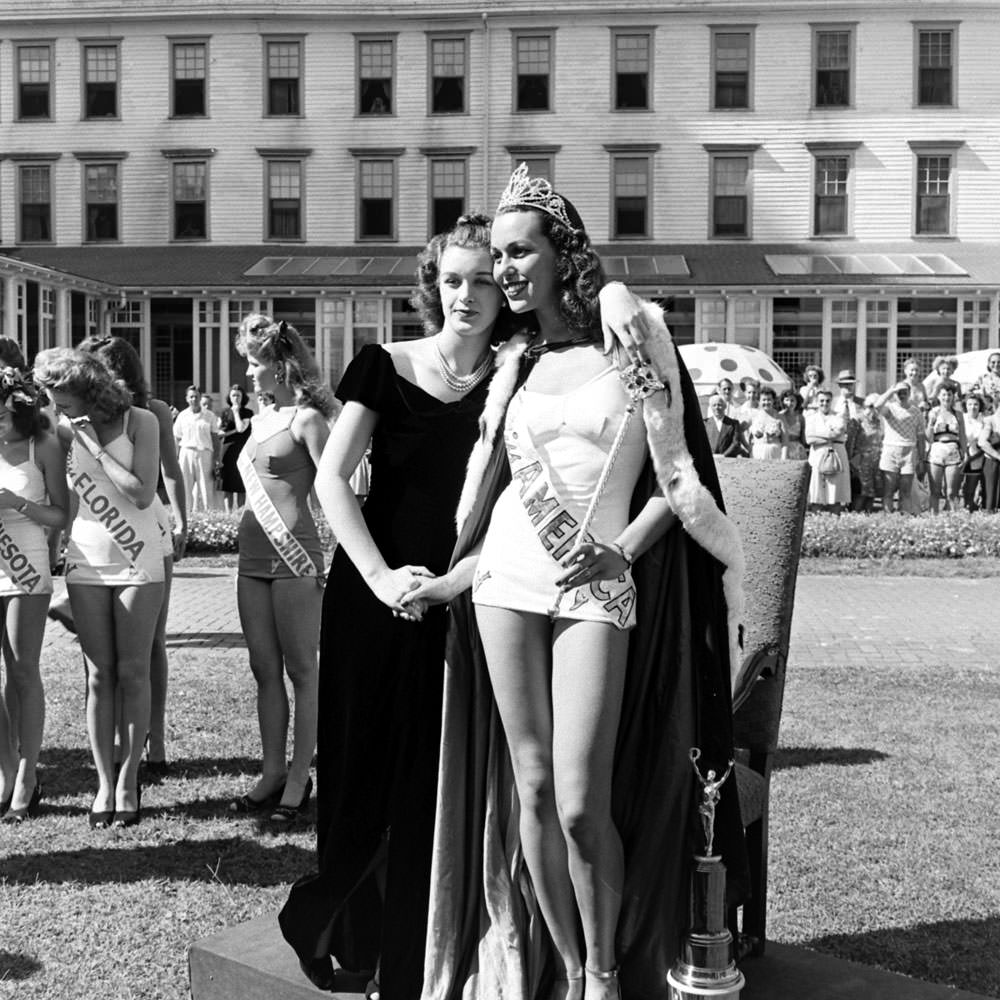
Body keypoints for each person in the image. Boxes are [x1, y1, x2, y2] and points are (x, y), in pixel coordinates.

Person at [278, 211, 649, 1000]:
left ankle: (416, 953)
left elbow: (515, 509)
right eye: (453, 279)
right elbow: (330, 480)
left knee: (434, 786)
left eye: (486, 278)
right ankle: (345, 927)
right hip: (374, 593)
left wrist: (614, 287)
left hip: (470, 596)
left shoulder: (522, 375)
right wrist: (380, 578)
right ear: (431, 285)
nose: (469, 294)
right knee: (358, 769)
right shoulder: (385, 363)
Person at [416, 167, 746, 1000]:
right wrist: (449, 575)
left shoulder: (630, 339)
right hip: (506, 582)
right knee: (526, 786)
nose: (506, 270)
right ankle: (567, 969)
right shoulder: (516, 358)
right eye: (498, 256)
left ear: (565, 255)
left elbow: (677, 481)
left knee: (576, 802)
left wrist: (623, 551)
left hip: (595, 586)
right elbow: (487, 483)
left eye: (521, 252)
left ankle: (605, 973)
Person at [33, 348, 164, 829]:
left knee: (133, 671)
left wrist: (95, 446)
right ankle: (104, 783)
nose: (57, 408)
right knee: (97, 676)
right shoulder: (60, 428)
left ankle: (130, 780)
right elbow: (55, 495)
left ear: (90, 390)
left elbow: (142, 492)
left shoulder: (141, 421)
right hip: (86, 560)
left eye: (63, 399)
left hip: (137, 557)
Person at [230, 317, 333, 826]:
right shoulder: (259, 418)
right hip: (250, 562)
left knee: (302, 671)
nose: (248, 373)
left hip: (295, 559)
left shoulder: (308, 419)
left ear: (279, 364)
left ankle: (299, 775)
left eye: (254, 363)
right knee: (263, 670)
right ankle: (271, 772)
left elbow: (337, 487)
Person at [79, 336, 187, 777]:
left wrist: (183, 519)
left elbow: (170, 471)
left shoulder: (152, 413)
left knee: (150, 642)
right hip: (98, 534)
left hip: (148, 526)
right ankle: (125, 740)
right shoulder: (79, 420)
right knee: (113, 656)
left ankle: (154, 740)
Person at [0, 368, 68, 822]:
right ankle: (6, 771)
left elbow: (61, 514)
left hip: (25, 564)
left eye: (4, 414)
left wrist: (16, 502)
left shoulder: (42, 445)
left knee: (22, 672)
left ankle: (27, 777)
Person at [874, 382, 925, 514]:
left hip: (909, 451)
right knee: (888, 490)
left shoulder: (916, 411)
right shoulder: (889, 408)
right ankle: (888, 517)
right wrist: (891, 391)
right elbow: (877, 405)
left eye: (904, 392)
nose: (901, 395)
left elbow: (920, 436)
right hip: (891, 449)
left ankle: (905, 516)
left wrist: (922, 458)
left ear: (909, 393)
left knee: (905, 490)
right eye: (899, 392)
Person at [173, 386, 218, 513]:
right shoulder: (182, 416)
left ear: (200, 397)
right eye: (191, 397)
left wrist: (216, 458)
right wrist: (175, 458)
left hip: (204, 453)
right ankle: (185, 515)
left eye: (196, 396)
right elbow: (176, 438)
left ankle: (209, 516)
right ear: (187, 399)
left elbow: (215, 438)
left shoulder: (209, 416)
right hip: (186, 452)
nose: (194, 399)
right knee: (185, 486)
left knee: (206, 487)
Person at [805, 389, 850, 513]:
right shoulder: (811, 417)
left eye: (827, 401)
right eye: (821, 401)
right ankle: (816, 517)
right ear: (817, 402)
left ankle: (834, 518)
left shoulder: (838, 417)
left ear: (831, 402)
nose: (824, 403)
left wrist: (818, 435)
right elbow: (809, 439)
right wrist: (829, 435)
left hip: (836, 453)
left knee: (835, 488)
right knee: (817, 488)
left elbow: (838, 432)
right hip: (818, 455)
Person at [925, 384, 966, 513]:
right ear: (938, 396)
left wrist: (964, 453)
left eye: (949, 394)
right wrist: (931, 424)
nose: (946, 397)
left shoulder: (958, 414)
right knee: (935, 490)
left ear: (953, 396)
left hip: (953, 450)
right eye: (943, 394)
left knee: (951, 491)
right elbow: (928, 437)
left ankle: (952, 517)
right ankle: (933, 517)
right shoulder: (933, 412)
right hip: (937, 449)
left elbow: (962, 435)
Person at [217, 384, 254, 512]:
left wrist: (236, 411)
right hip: (227, 452)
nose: (236, 398)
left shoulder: (248, 413)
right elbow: (219, 431)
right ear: (229, 397)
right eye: (233, 395)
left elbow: (240, 428)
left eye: (238, 395)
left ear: (243, 397)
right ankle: (229, 514)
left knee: (240, 486)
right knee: (228, 486)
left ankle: (240, 512)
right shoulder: (224, 412)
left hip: (242, 451)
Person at [849, 394, 883, 512]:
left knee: (871, 493)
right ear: (864, 407)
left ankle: (868, 518)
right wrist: (850, 462)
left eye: (875, 407)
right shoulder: (857, 420)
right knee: (861, 492)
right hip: (860, 462)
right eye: (869, 406)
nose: (872, 410)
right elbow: (850, 442)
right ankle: (853, 517)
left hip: (876, 462)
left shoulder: (880, 422)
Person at [747, 387, 788, 460]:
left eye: (769, 400)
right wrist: (749, 448)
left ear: (773, 400)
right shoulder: (753, 416)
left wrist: (783, 459)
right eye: (764, 400)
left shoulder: (780, 417)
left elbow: (785, 442)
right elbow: (740, 430)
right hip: (757, 454)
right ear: (759, 401)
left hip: (775, 454)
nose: (766, 402)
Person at [961, 393, 986, 510]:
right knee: (956, 486)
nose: (973, 407)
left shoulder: (984, 421)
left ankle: (969, 507)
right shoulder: (961, 418)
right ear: (965, 406)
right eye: (969, 404)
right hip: (960, 456)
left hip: (976, 457)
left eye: (976, 404)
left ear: (980, 406)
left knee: (971, 487)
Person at [978, 408, 1000, 512]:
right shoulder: (990, 420)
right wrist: (998, 456)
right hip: (992, 462)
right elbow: (982, 442)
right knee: (990, 494)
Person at [779, 389, 808, 459]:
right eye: (787, 400)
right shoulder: (779, 416)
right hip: (783, 448)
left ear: (796, 402)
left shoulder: (801, 418)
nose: (789, 403)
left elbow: (803, 437)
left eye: (792, 400)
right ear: (783, 401)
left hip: (797, 449)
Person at [972, 351, 1000, 415]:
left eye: (999, 362)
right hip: (987, 415)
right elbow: (969, 391)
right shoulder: (983, 378)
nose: (996, 364)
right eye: (993, 362)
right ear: (989, 364)